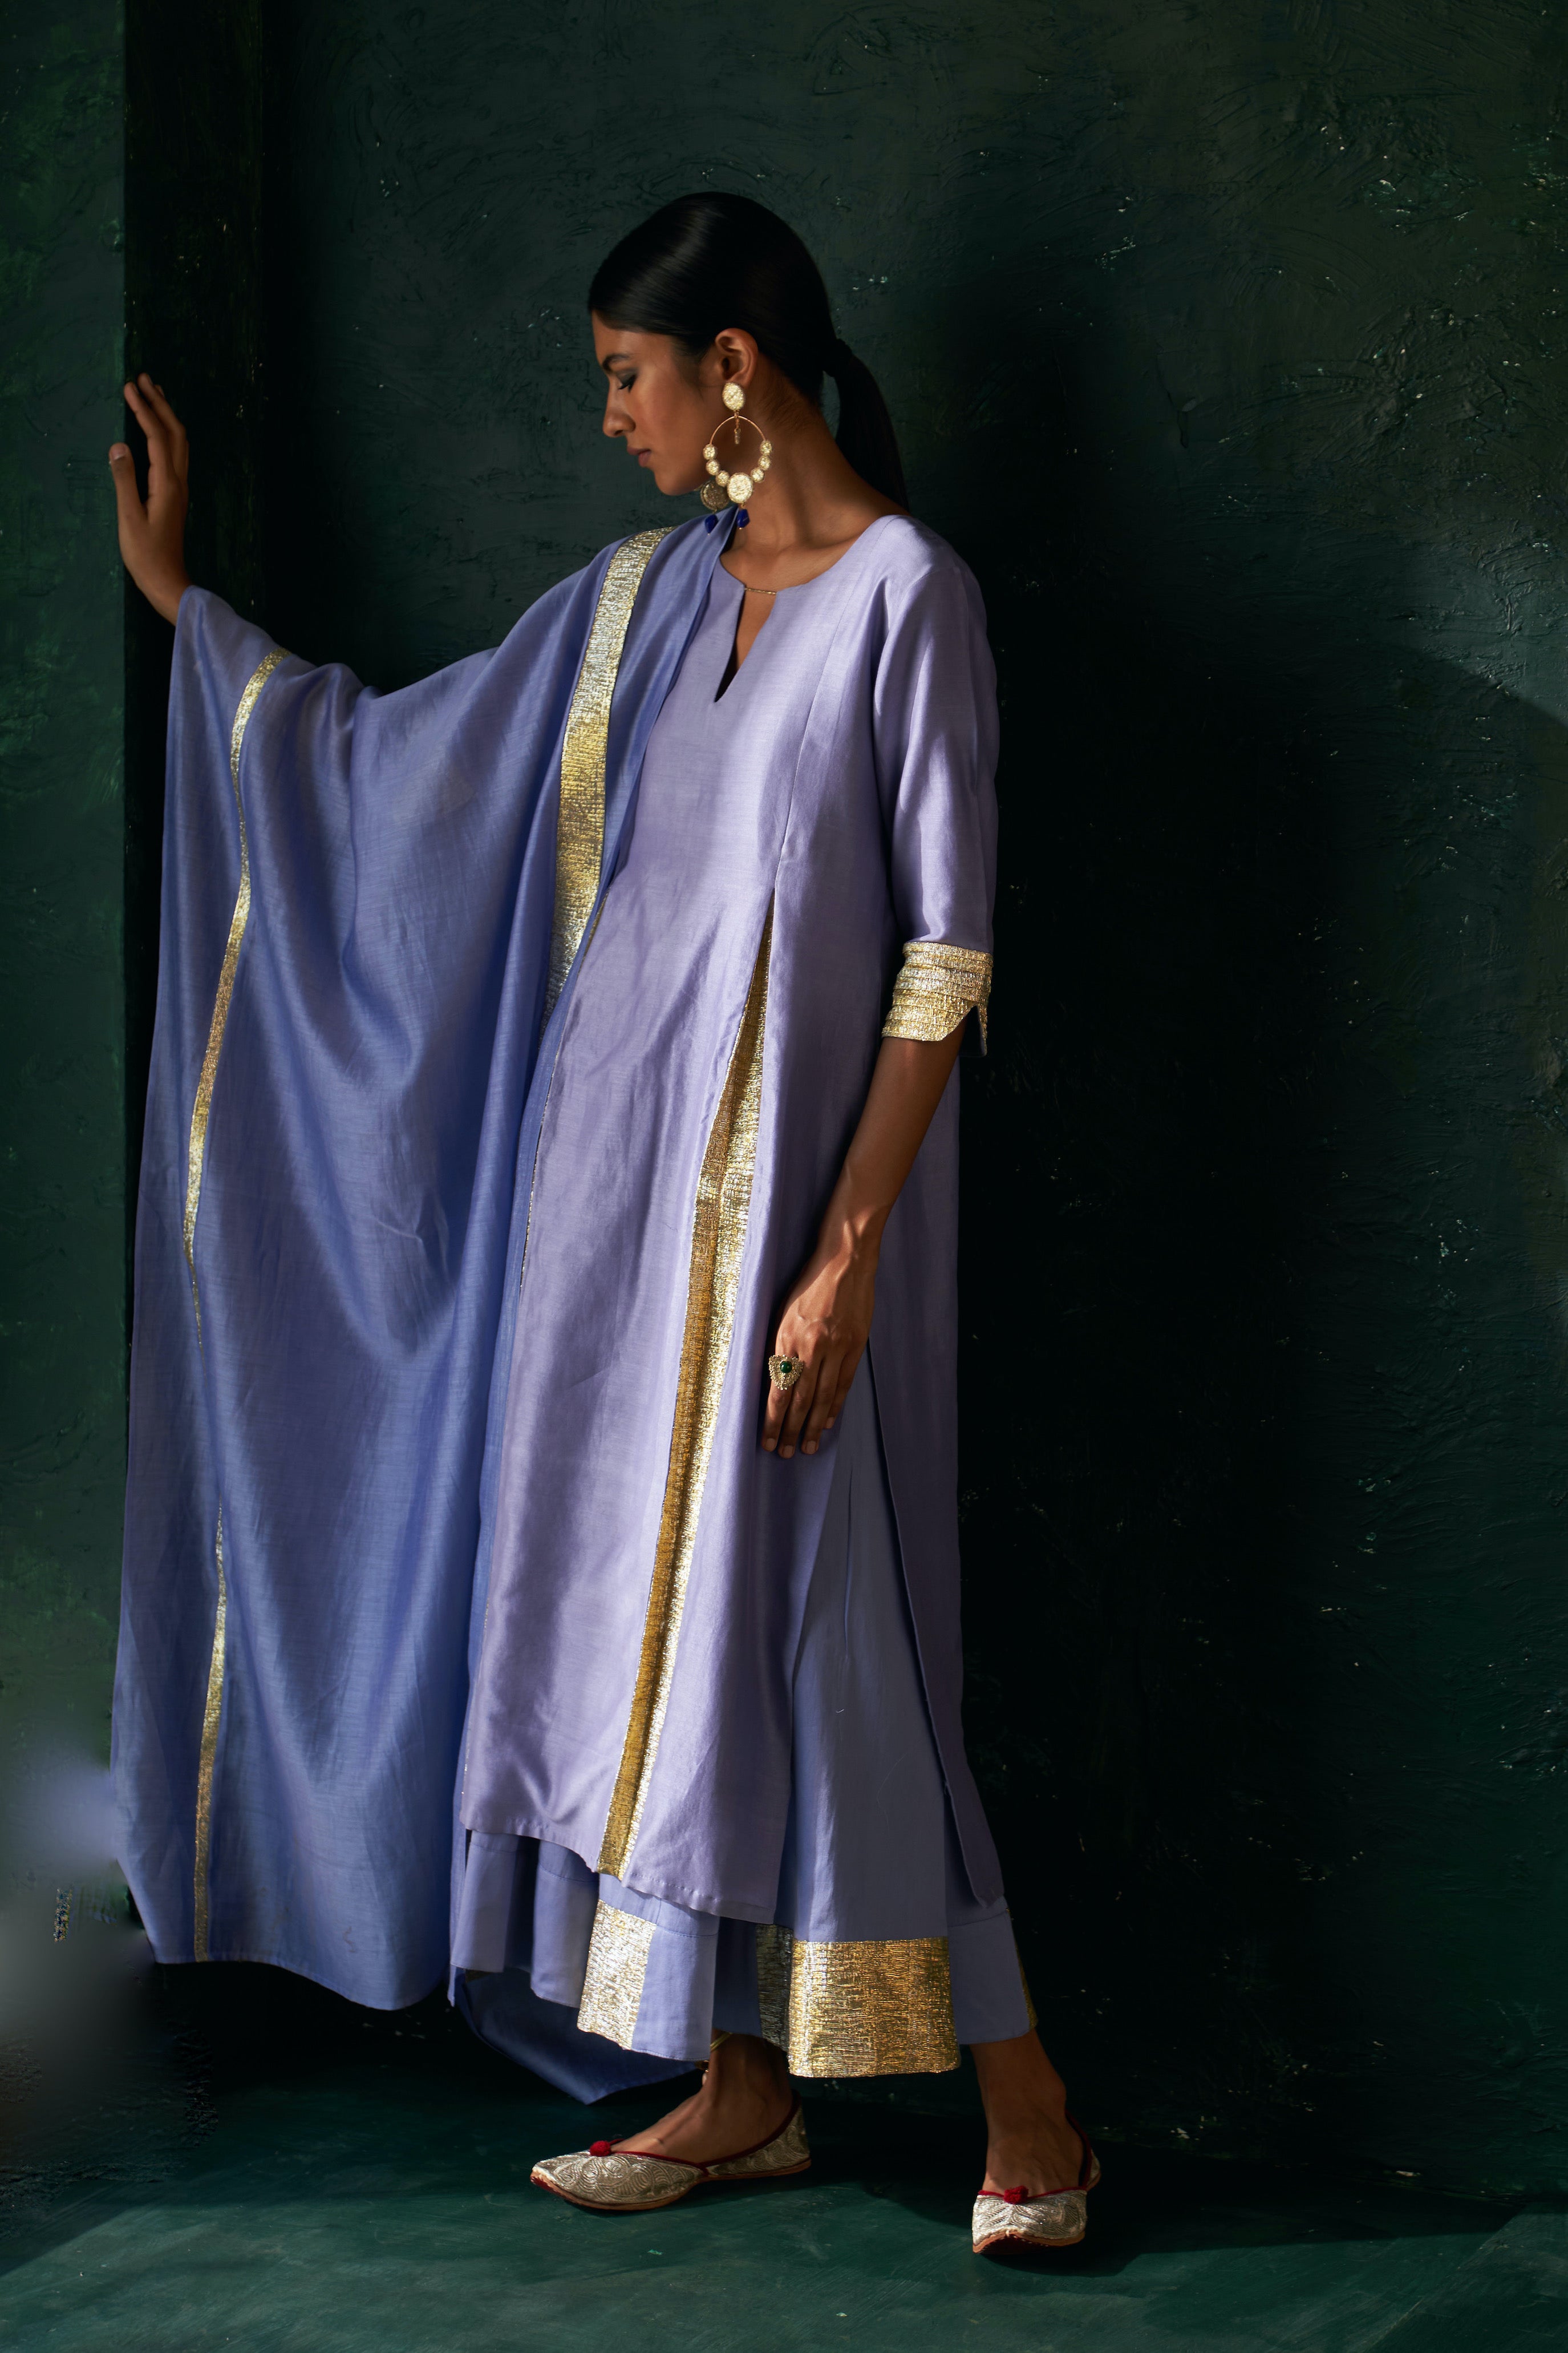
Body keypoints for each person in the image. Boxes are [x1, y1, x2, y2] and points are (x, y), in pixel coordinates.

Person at [109, 192, 1096, 2256]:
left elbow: (946, 957)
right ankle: (739, 2089)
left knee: (842, 1643)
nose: (616, 417)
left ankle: (1034, 2108)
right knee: (656, 1645)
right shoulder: (644, 604)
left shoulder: (908, 596)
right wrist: (195, 616)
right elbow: (408, 767)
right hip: (606, 1234)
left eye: (629, 375)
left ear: (735, 365)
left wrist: (843, 1254)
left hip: (805, 1243)